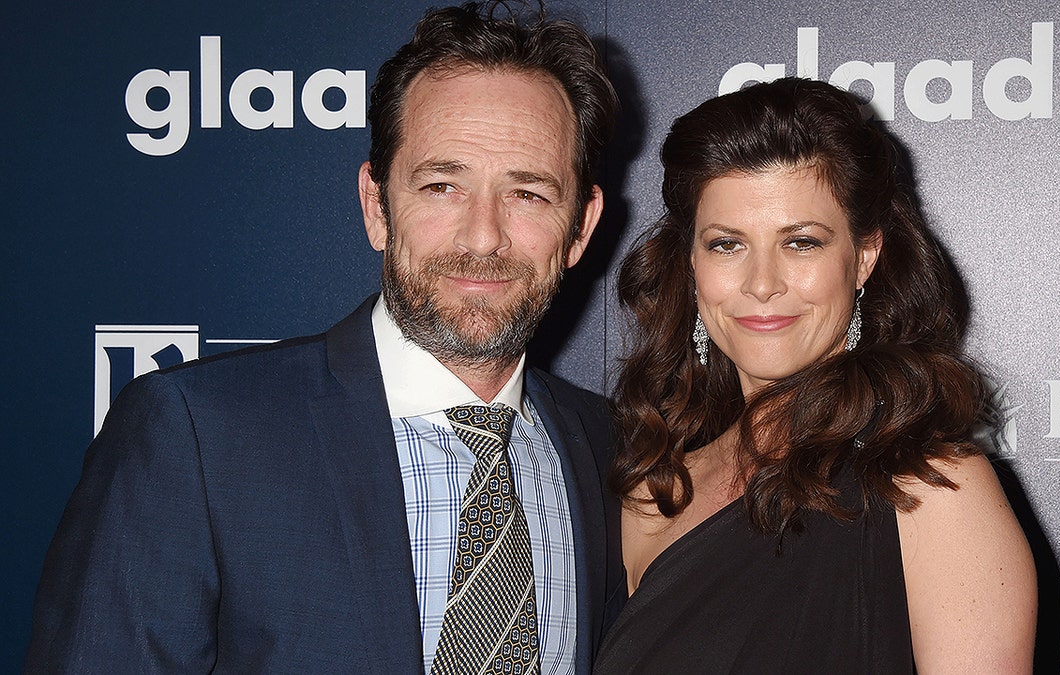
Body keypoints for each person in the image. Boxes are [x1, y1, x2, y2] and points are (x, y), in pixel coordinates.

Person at [26, 3, 623, 672]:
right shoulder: (196, 437)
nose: (482, 236)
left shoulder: (607, 449)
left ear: (581, 225)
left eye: (529, 194)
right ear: (376, 206)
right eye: (442, 185)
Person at [594, 77, 1037, 674]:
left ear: (864, 258)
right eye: (727, 245)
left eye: (801, 242)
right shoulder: (654, 490)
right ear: (691, 261)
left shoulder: (931, 490)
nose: (761, 283)